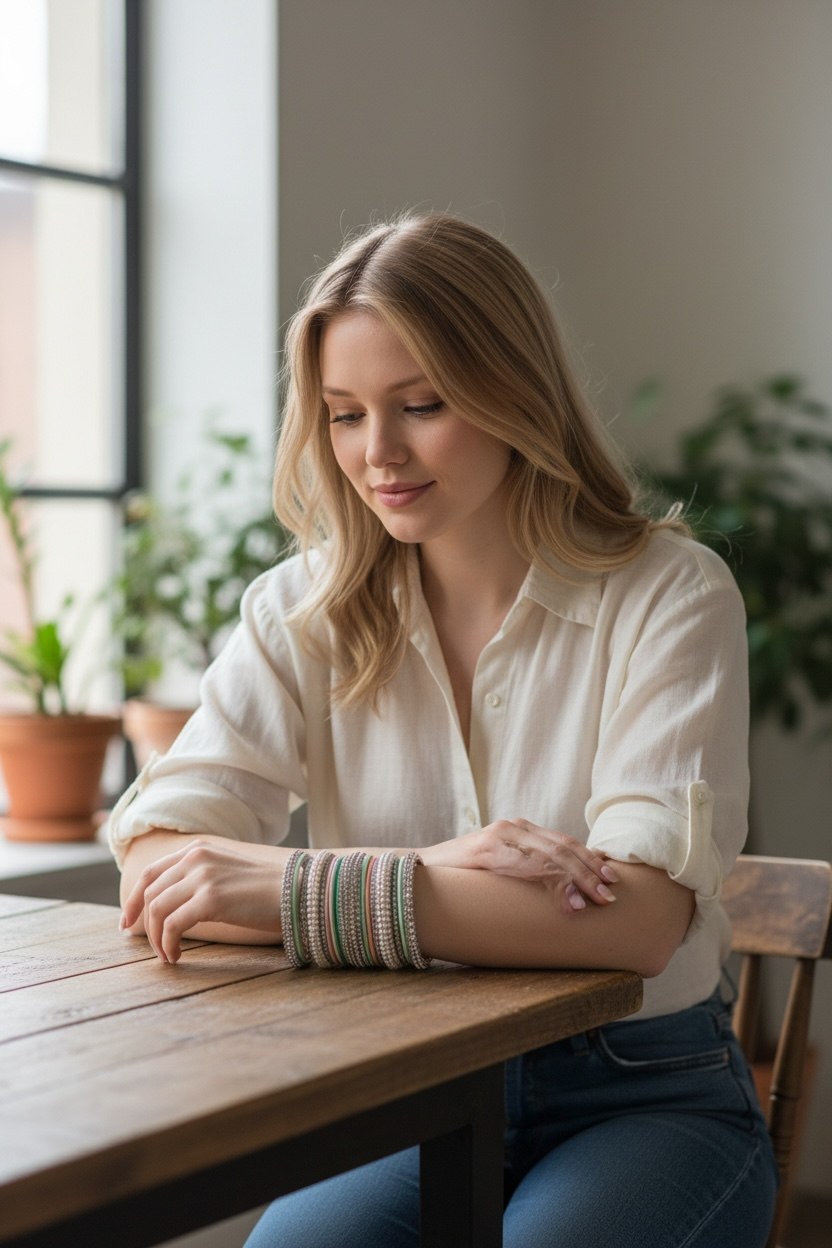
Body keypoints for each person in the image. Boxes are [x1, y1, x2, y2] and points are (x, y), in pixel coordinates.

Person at [112, 213, 778, 1247]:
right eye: (342, 415)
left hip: (640, 1091)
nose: (376, 454)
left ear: (516, 392)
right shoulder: (302, 609)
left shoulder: (669, 595)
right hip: (397, 1090)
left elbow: (637, 924)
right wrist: (433, 866)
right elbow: (160, 865)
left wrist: (293, 887)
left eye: (420, 405)